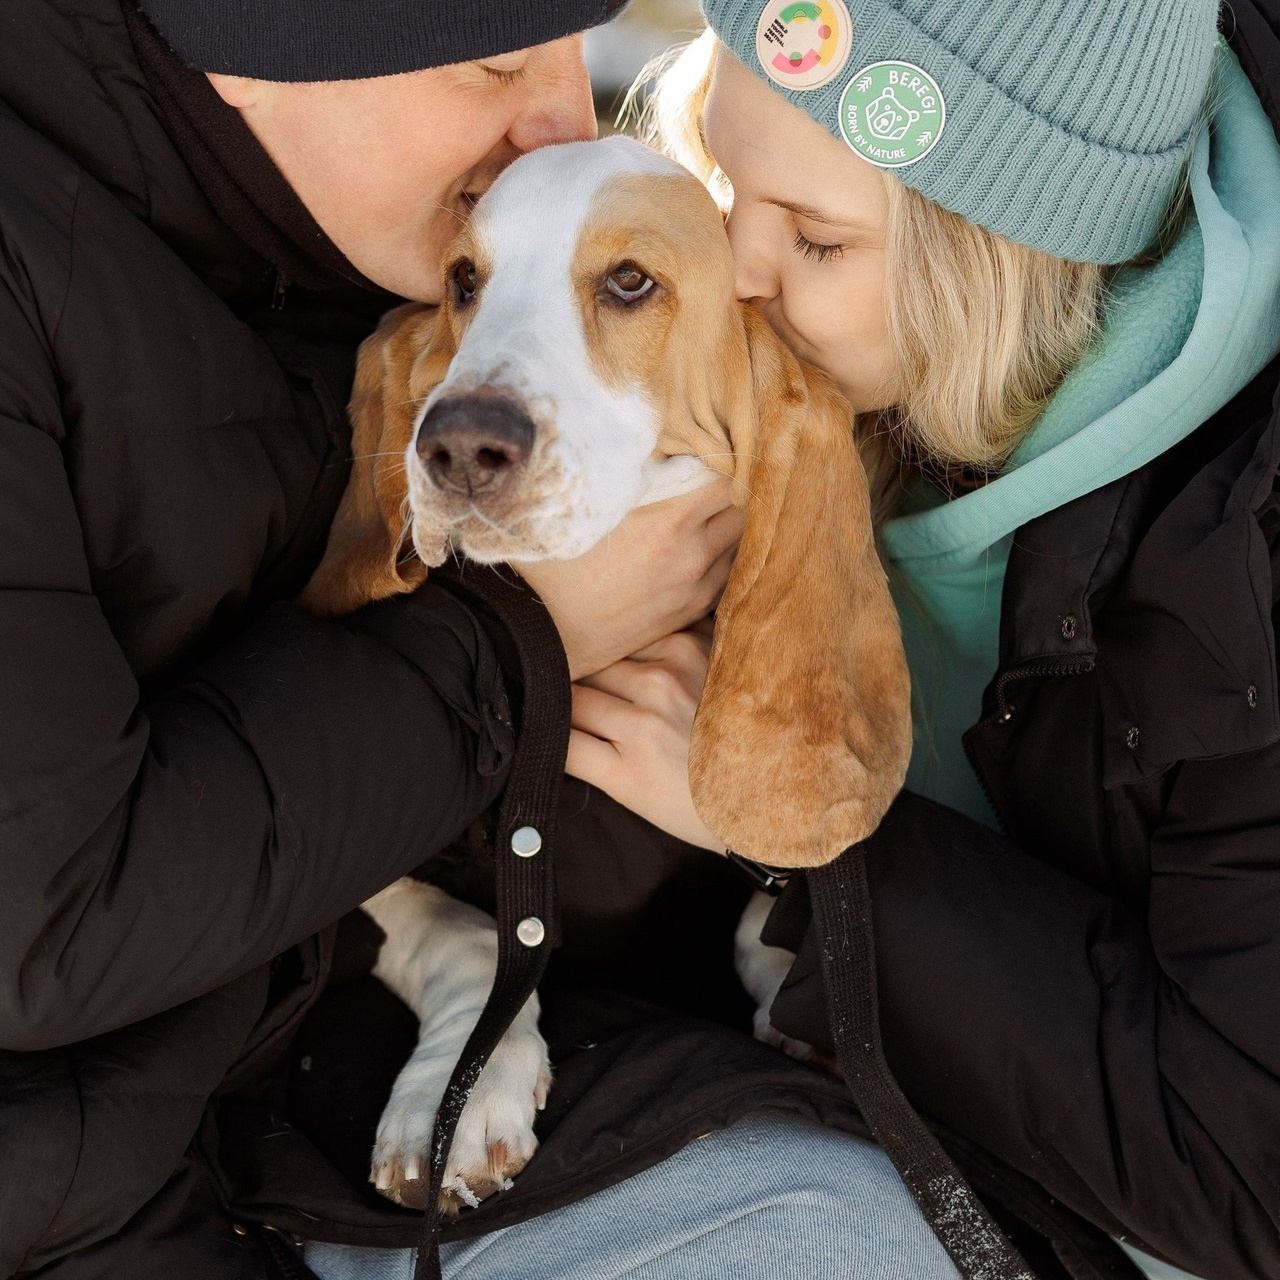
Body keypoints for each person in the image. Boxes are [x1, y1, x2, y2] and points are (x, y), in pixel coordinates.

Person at [0, 3, 967, 1279]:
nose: (561, 123)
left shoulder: (363, 235)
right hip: (116, 1166)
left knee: (845, 1227)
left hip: (323, 1077)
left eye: (579, 50)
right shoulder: (282, 289)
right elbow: (58, 923)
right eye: (499, 62)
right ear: (257, 52)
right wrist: (533, 636)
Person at [555, 1, 1280, 1278]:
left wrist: (797, 814)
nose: (731, 274)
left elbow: (1242, 1165)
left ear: (995, 261)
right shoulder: (821, 377)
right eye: (723, 179)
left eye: (817, 238)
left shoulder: (1244, 574)